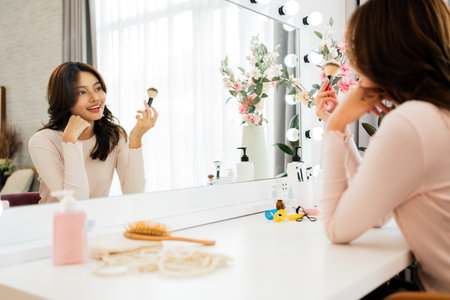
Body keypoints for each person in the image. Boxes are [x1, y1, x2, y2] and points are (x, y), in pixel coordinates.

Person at [314, 0, 450, 293]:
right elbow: (376, 212)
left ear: (382, 51)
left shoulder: (412, 122)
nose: (353, 63)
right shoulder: (435, 114)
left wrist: (334, 127)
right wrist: (342, 127)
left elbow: (336, 227)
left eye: (357, 50)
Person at [29, 62, 158, 204]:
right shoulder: (42, 141)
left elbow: (134, 194)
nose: (95, 98)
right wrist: (70, 140)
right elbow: (76, 201)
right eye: (82, 92)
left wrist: (135, 139)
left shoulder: (114, 137)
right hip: (55, 223)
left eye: (97, 88)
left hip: (99, 223)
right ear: (64, 99)